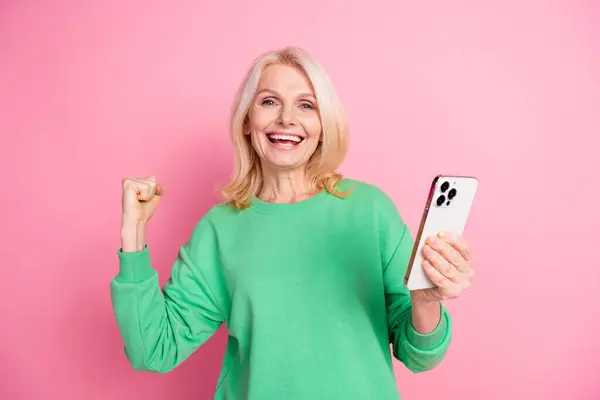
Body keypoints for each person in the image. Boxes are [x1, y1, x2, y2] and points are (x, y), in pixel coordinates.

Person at [110, 46, 475, 400]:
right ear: (248, 121)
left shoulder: (370, 210)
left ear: (323, 125)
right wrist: (133, 233)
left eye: (306, 105)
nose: (286, 119)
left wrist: (426, 301)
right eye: (269, 102)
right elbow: (153, 350)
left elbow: (420, 356)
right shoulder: (219, 230)